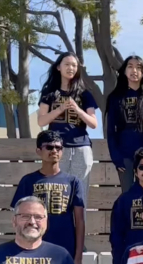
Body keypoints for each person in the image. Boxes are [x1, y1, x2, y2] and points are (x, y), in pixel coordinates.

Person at [12, 131, 86, 264]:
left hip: (65, 250)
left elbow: (80, 221)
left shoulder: (73, 182)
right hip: (34, 248)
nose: (54, 151)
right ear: (39, 151)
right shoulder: (28, 181)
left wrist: (78, 258)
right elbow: (18, 219)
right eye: (49, 147)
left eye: (58, 148)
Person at [37, 52, 98, 201]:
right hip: (56, 148)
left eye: (74, 65)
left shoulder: (84, 94)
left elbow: (93, 123)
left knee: (80, 193)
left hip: (81, 147)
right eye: (67, 64)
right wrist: (60, 109)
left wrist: (77, 109)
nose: (71, 68)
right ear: (58, 67)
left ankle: (80, 224)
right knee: (56, 191)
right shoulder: (49, 93)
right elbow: (41, 121)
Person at [105, 55, 143, 193]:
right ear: (124, 71)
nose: (134, 70)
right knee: (128, 196)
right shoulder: (115, 98)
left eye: (138, 67)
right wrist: (116, 158)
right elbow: (111, 131)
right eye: (130, 66)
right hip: (124, 157)